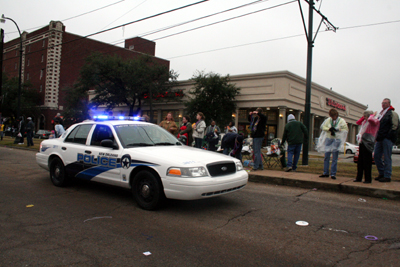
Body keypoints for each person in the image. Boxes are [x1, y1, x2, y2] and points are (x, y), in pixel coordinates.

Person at [317, 108, 348, 180]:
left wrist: (338, 130)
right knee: (326, 156)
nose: (332, 118)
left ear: (336, 115)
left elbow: (345, 129)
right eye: (331, 116)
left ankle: (333, 174)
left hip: (337, 139)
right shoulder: (328, 120)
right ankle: (325, 172)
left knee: (334, 158)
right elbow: (322, 127)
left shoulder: (341, 121)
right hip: (329, 138)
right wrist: (329, 129)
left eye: (333, 116)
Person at [374, 98, 399, 183]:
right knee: (376, 155)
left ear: (389, 104)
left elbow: (395, 126)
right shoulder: (381, 114)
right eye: (382, 103)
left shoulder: (392, 113)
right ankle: (381, 173)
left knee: (387, 157)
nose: (383, 104)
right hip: (379, 138)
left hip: (387, 139)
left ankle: (387, 175)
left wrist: (389, 136)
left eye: (385, 103)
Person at [354, 111, 380, 183]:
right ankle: (359, 177)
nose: (364, 118)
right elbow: (358, 122)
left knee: (367, 161)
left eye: (365, 116)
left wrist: (372, 115)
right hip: (362, 141)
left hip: (368, 142)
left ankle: (368, 178)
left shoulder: (375, 121)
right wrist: (363, 117)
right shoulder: (364, 122)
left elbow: (371, 120)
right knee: (360, 161)